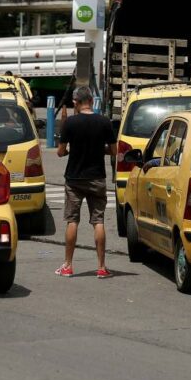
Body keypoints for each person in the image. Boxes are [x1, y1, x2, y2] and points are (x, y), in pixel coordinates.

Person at [55, 86, 117, 279]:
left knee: (72, 220)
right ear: (91, 100)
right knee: (98, 221)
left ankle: (68, 266)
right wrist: (99, 150)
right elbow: (114, 151)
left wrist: (69, 151)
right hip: (97, 177)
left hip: (74, 178)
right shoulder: (104, 122)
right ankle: (101, 267)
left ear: (76, 102)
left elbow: (60, 151)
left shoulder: (70, 123)